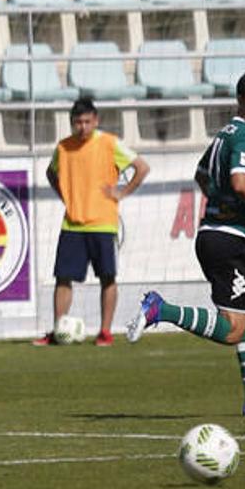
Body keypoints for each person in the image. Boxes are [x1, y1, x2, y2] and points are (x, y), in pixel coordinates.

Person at [125, 71, 245, 417]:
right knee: (233, 329)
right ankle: (161, 309)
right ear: (240, 103)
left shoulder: (224, 135)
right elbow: (241, 181)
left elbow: (201, 175)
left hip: (214, 232)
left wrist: (222, 204)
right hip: (230, 239)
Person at [33, 98, 150, 348]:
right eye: (78, 122)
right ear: (71, 123)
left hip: (103, 223)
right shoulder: (63, 148)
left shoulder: (109, 143)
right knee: (63, 278)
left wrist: (121, 192)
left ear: (95, 120)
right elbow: (50, 173)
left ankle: (105, 332)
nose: (82, 127)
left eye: (87, 122)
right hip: (72, 223)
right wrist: (65, 195)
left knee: (108, 277)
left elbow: (141, 167)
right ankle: (59, 331)